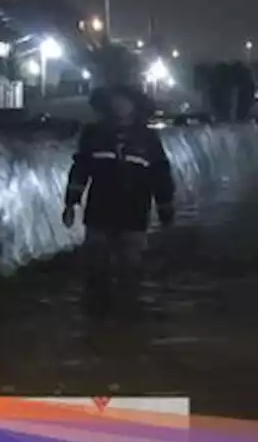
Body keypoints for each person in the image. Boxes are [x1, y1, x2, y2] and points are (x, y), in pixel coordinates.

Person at [63, 85, 176, 318]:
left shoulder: (148, 139)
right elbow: (80, 169)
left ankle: (127, 314)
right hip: (100, 207)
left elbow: (160, 173)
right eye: (114, 102)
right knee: (96, 261)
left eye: (124, 102)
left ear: (135, 106)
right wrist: (71, 203)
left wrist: (165, 205)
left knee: (131, 263)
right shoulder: (93, 134)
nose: (119, 107)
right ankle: (96, 313)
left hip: (134, 208)